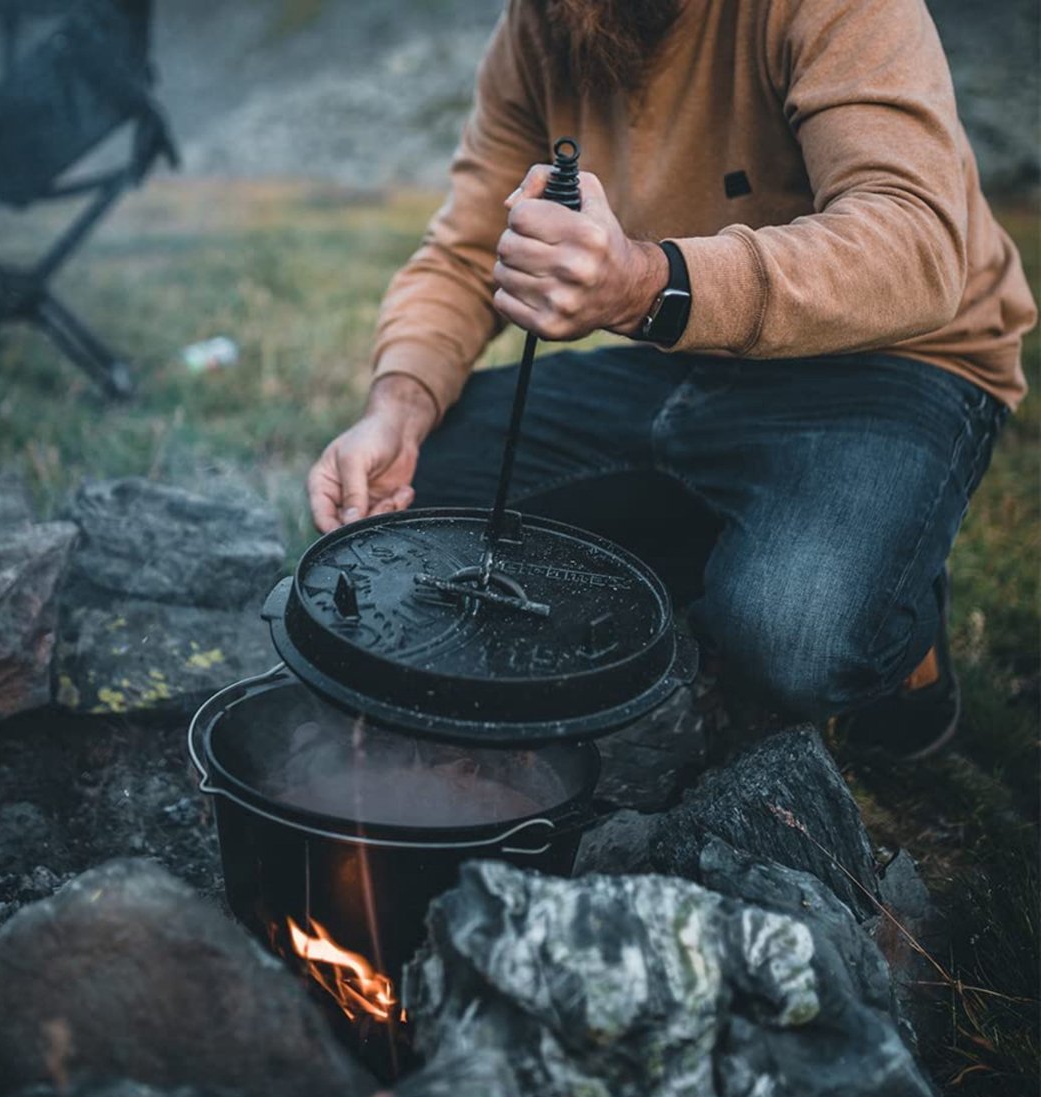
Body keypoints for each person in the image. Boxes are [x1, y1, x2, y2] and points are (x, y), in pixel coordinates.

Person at [306, 0, 1035, 758]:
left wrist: (645, 285)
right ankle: (745, 537)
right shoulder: (543, 21)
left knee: (795, 634)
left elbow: (914, 244)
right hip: (693, 346)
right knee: (415, 498)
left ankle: (901, 619)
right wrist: (399, 407)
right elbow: (466, 252)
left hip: (895, 363)